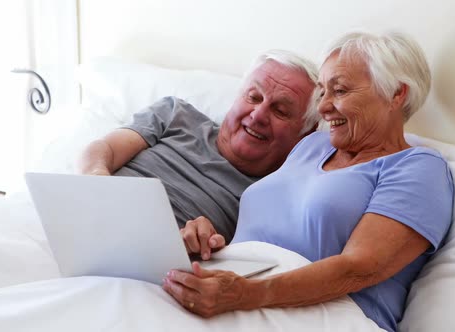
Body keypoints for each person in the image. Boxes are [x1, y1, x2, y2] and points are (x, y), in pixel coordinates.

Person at [163, 31, 454, 332]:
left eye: (339, 91)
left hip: (326, 314)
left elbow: (360, 268)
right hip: (234, 294)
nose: (324, 107)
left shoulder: (419, 168)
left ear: (396, 93)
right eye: (322, 92)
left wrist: (247, 294)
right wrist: (206, 242)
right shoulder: (311, 145)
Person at [78, 50, 319, 243]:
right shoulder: (175, 114)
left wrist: (205, 242)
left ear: (305, 134)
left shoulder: (274, 196)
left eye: (280, 110)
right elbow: (104, 149)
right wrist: (97, 176)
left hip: (146, 260)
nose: (258, 115)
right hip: (86, 216)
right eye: (254, 97)